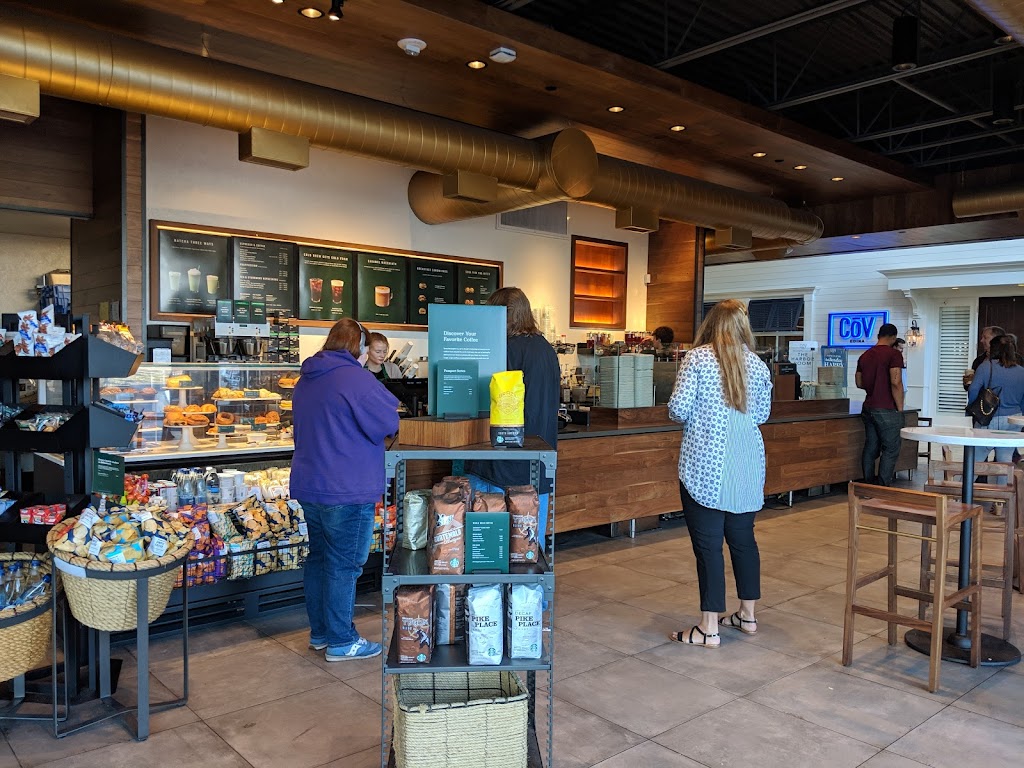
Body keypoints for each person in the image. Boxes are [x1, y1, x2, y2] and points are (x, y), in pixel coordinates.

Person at [291, 318, 400, 661]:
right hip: (347, 486)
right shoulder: (356, 378)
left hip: (311, 484)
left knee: (319, 559)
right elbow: (389, 421)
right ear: (359, 347)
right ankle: (341, 640)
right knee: (344, 564)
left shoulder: (307, 377)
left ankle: (321, 633)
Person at [666, 299, 772, 648]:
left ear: (711, 324)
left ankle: (708, 627)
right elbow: (762, 415)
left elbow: (679, 408)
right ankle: (748, 616)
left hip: (705, 466)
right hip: (746, 464)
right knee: (744, 541)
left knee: (709, 547)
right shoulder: (757, 364)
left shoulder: (697, 359)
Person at [464, 287, 560, 543]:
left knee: (490, 544)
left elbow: (486, 399)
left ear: (503, 315)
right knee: (529, 543)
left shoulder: (505, 350)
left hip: (501, 462)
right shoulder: (546, 349)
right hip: (539, 457)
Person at [969, 334, 1024, 481]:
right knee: (1005, 462)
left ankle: (961, 493)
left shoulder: (986, 367)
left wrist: (974, 408)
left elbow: (973, 389)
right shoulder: (1021, 371)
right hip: (1013, 420)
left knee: (976, 461)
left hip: (989, 418)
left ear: (994, 349)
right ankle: (1002, 495)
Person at [855, 323, 904, 486]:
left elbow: (859, 383)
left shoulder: (865, 355)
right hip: (886, 408)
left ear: (878, 336)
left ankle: (868, 485)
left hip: (868, 406)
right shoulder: (894, 355)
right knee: (891, 449)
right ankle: (882, 487)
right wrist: (900, 409)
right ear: (893, 337)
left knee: (871, 447)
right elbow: (896, 382)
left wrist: (874, 385)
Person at [963, 325, 1006, 390]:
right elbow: (970, 388)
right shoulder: (979, 360)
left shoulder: (1009, 359)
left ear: (996, 339)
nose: (981, 340)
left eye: (985, 337)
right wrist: (967, 381)